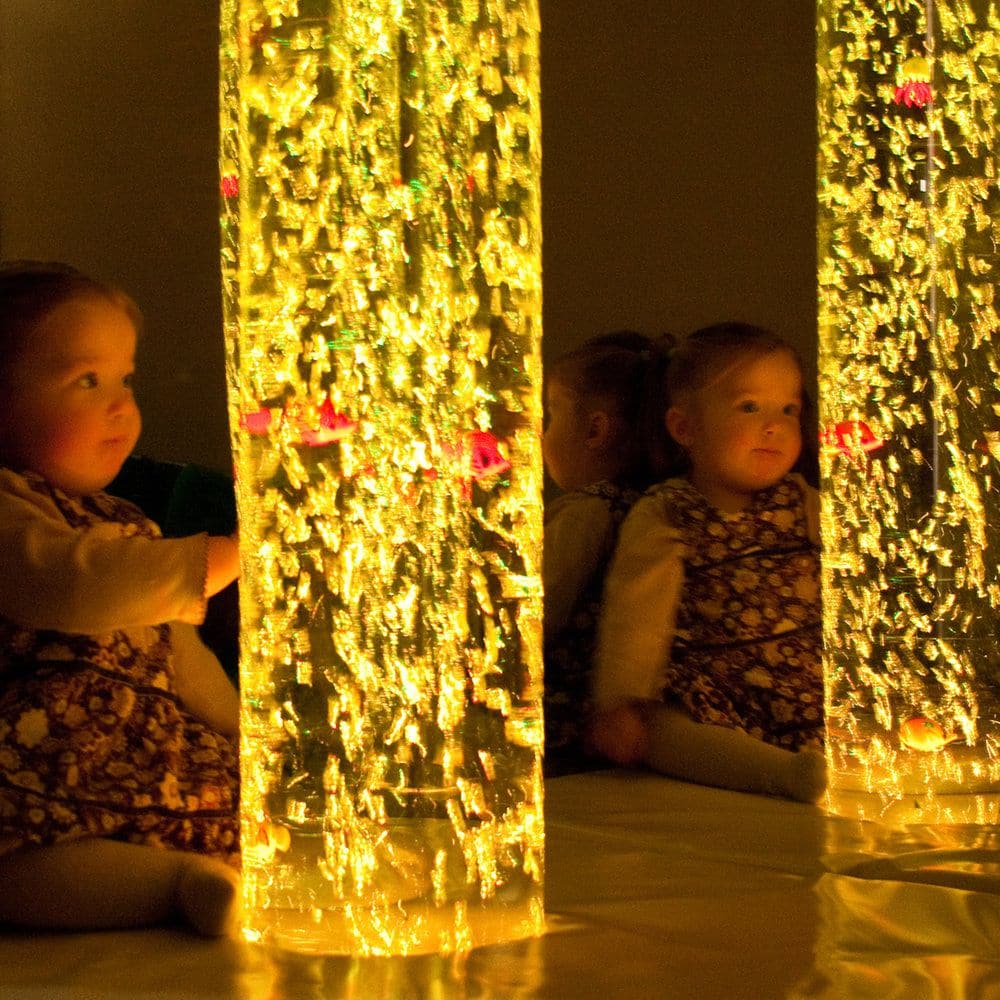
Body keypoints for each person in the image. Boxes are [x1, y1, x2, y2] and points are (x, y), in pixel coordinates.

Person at [0, 261, 242, 935]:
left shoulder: (121, 520)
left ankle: (199, 866)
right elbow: (80, 584)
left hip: (139, 754)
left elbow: (176, 652)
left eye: (124, 378)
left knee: (250, 809)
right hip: (35, 757)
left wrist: (247, 733)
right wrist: (227, 554)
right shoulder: (10, 509)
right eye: (87, 380)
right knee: (18, 859)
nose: (120, 405)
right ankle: (173, 885)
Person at [590, 322, 826, 802]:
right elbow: (636, 613)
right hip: (714, 690)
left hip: (805, 685)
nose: (775, 425)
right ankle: (786, 773)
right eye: (749, 407)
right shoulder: (668, 511)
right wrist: (619, 700)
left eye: (789, 409)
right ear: (685, 427)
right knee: (661, 733)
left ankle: (808, 759)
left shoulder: (805, 502)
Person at [542, 330, 675, 774]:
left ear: (595, 429)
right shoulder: (653, 505)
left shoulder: (588, 513)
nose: (540, 436)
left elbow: (541, 610)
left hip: (571, 725)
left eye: (550, 416)